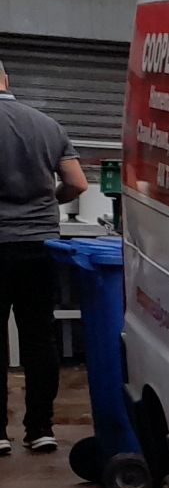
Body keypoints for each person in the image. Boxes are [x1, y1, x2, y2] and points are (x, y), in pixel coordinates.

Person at [0, 61, 88, 457]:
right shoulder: (47, 125)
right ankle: (40, 429)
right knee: (40, 337)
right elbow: (77, 183)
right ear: (6, 79)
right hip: (39, 245)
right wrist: (46, 204)